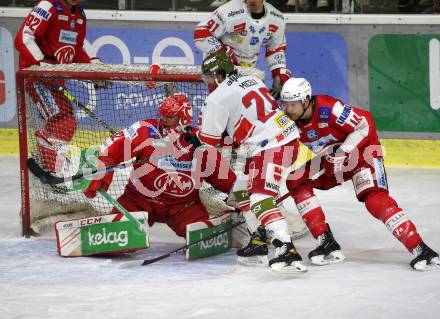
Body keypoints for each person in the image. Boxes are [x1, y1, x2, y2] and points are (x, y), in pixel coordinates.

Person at [280, 77, 440, 271]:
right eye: (284, 103)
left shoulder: (330, 108)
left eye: (292, 104)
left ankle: (420, 248)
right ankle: (326, 242)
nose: (287, 109)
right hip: (332, 159)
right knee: (295, 180)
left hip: (363, 154)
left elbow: (366, 123)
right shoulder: (289, 119)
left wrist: (342, 153)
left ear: (305, 101)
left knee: (375, 199)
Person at [195, 50, 306, 273]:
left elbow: (208, 140)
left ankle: (286, 248)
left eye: (210, 77)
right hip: (277, 138)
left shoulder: (216, 98)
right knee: (242, 190)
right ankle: (258, 241)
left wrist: (190, 137)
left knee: (260, 198)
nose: (208, 82)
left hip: (272, 144)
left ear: (219, 74)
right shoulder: (251, 78)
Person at [83, 93, 237, 239]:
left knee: (203, 237)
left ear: (183, 119)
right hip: (138, 200)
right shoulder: (145, 130)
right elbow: (110, 151)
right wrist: (100, 173)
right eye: (162, 114)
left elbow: (222, 176)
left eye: (169, 117)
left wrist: (239, 195)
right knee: (119, 236)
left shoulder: (200, 143)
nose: (163, 120)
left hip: (183, 206)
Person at [14, 0, 99, 172]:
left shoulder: (80, 14)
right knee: (63, 122)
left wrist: (95, 65)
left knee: (65, 122)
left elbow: (77, 49)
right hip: (35, 76)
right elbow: (23, 38)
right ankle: (47, 161)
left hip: (56, 79)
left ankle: (46, 162)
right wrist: (41, 64)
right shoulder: (48, 5)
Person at [194, 0, 291, 99]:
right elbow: (201, 33)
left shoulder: (276, 19)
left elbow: (276, 48)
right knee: (223, 104)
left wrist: (278, 72)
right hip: (222, 71)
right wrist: (223, 53)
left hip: (248, 72)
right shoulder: (229, 12)